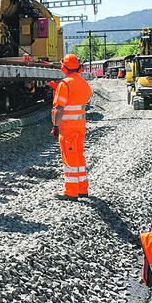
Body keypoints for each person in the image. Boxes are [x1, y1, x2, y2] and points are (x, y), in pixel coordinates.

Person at [50, 53, 92, 201]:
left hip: (68, 128)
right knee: (79, 156)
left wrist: (55, 126)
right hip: (80, 126)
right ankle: (82, 189)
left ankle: (70, 191)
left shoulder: (65, 84)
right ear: (79, 68)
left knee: (70, 158)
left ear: (64, 67)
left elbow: (59, 108)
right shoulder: (84, 83)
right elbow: (84, 97)